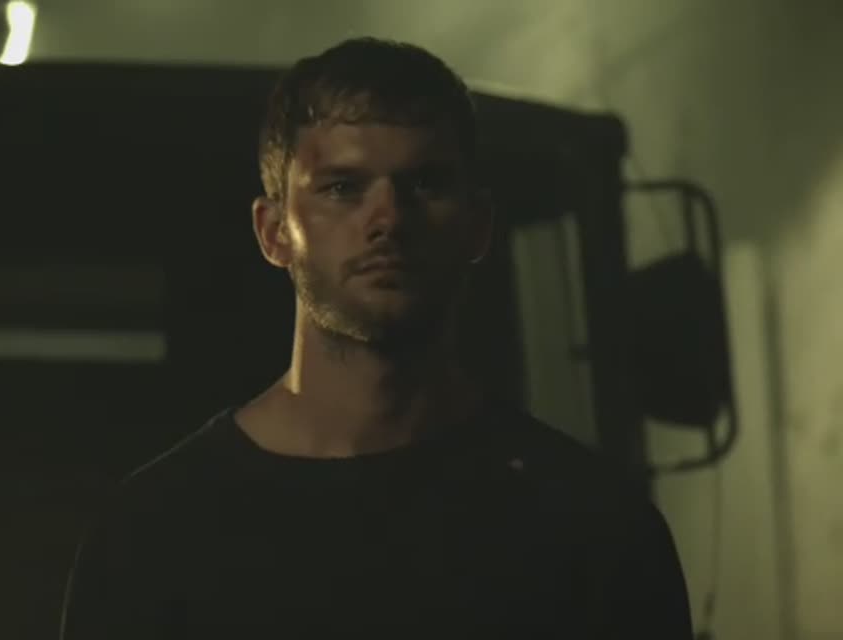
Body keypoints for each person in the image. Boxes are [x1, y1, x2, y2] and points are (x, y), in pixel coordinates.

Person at [59, 37, 693, 640]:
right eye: (342, 188)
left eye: (426, 185)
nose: (387, 218)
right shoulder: (153, 534)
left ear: (477, 225)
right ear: (274, 231)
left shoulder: (594, 530)